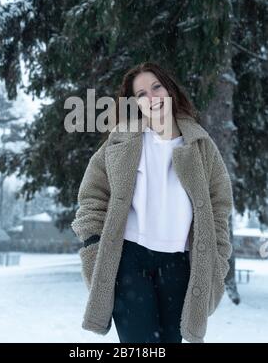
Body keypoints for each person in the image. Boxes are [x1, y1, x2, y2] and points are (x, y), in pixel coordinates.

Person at [71, 61, 233, 343]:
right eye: (142, 93)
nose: (152, 97)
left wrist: (218, 258)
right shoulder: (121, 142)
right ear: (136, 103)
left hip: (180, 266)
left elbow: (219, 205)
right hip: (129, 261)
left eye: (156, 86)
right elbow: (92, 195)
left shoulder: (200, 145)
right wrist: (91, 244)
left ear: (169, 89)